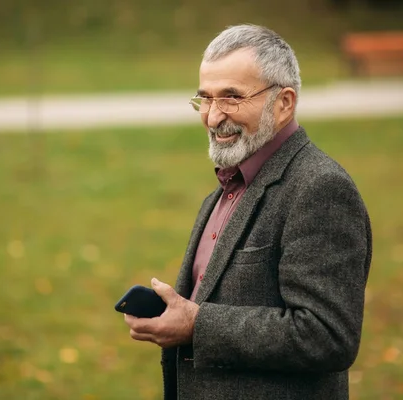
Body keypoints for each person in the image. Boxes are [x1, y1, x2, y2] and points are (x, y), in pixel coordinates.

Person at [124, 24, 372, 400]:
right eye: (204, 98)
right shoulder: (227, 188)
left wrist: (197, 326)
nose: (211, 117)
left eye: (231, 98)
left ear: (284, 102)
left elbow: (327, 335)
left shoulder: (319, 188)